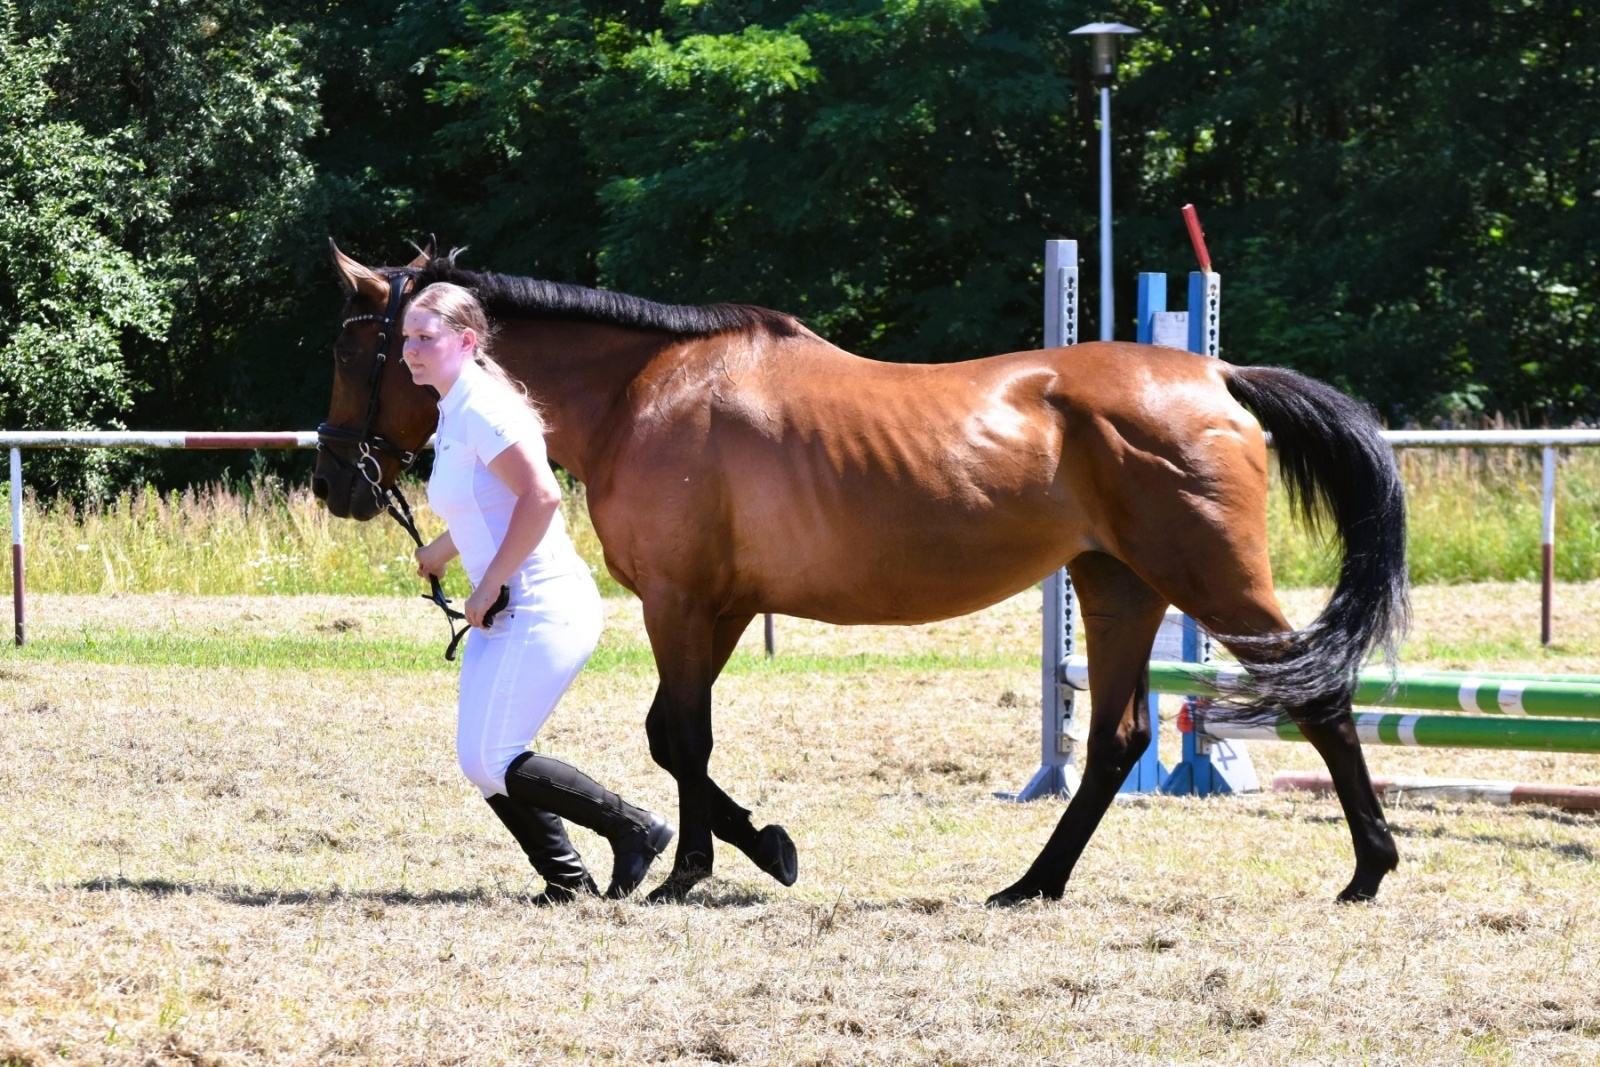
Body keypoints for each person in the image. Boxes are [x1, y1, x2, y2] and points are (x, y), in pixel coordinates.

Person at [404, 281, 673, 903]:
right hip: (508, 608)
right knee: (481, 759)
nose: (411, 350)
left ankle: (635, 829)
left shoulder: (484, 407)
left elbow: (542, 495)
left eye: (426, 338)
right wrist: (441, 552)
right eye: (407, 340)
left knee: (492, 756)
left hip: (543, 605)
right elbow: (486, 503)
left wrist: (490, 579)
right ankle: (567, 880)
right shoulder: (455, 405)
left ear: (467, 341)